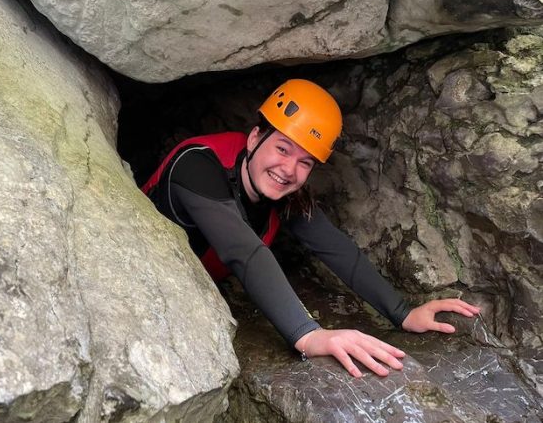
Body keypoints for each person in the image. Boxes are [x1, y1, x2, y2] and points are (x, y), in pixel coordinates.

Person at [142, 79, 480, 378]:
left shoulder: (284, 191)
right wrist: (309, 335)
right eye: (282, 148)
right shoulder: (197, 164)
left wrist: (403, 313)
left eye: (306, 162)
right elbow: (243, 251)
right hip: (140, 284)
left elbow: (335, 248)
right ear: (255, 137)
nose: (289, 170)